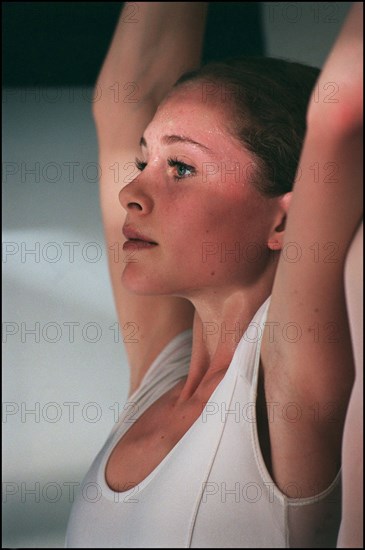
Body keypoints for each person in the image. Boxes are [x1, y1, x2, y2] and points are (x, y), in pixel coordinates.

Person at [65, 2, 363, 547]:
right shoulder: (163, 376)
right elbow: (129, 95)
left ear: (287, 218)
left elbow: (344, 114)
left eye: (181, 168)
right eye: (143, 161)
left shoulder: (282, 390)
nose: (131, 194)